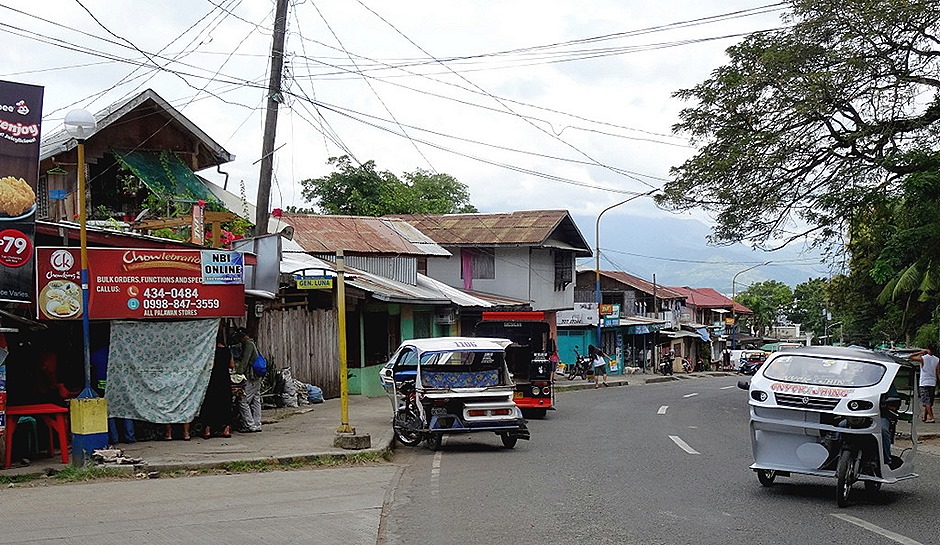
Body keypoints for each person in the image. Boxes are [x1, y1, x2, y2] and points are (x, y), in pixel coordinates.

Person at [200, 333, 235, 439]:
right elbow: (232, 365)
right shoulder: (227, 351)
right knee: (225, 403)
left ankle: (207, 430)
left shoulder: (212, 351)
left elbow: (212, 365)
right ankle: (226, 430)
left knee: (210, 403)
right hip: (225, 379)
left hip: (213, 379)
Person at [234, 327, 263, 432]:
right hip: (257, 376)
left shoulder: (248, 344)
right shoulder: (252, 343)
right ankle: (256, 423)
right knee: (256, 400)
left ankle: (250, 425)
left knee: (243, 400)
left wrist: (238, 373)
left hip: (251, 377)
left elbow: (245, 361)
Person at [909, 346, 939, 423]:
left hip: (924, 382)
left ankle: (931, 417)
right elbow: (938, 372)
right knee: (929, 401)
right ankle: (925, 416)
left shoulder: (924, 358)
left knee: (926, 401)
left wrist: (920, 352)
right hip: (932, 382)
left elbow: (910, 357)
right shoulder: (937, 360)